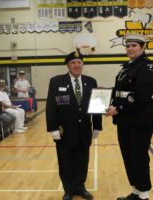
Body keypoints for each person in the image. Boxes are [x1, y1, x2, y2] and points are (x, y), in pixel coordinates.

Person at [106, 34, 153, 200]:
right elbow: (121, 91)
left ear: (142, 47)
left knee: (138, 156)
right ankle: (136, 191)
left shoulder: (147, 67)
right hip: (127, 119)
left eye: (134, 45)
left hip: (141, 120)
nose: (130, 48)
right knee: (129, 155)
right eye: (128, 45)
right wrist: (107, 100)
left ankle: (144, 195)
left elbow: (142, 96)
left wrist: (119, 108)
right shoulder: (128, 67)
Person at [46, 51, 102, 200]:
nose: (76, 65)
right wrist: (52, 128)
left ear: (82, 64)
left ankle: (80, 187)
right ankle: (69, 190)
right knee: (65, 160)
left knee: (82, 160)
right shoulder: (56, 81)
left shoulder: (91, 81)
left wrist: (97, 126)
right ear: (67, 65)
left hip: (84, 129)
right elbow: (51, 106)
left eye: (79, 62)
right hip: (64, 131)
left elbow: (96, 105)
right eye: (73, 62)